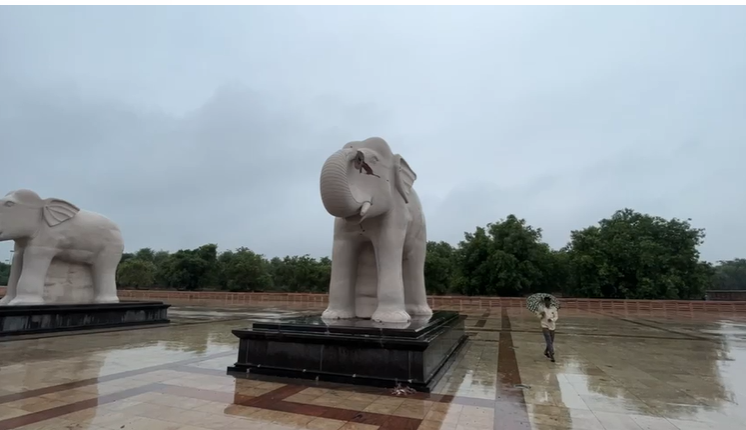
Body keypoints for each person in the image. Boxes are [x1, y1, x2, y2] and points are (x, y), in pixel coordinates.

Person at [537, 296, 558, 362]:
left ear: (550, 302)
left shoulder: (553, 308)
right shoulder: (541, 309)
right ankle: (551, 354)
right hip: (544, 325)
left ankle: (546, 351)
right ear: (544, 302)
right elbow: (538, 317)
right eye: (545, 301)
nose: (547, 303)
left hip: (552, 326)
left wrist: (551, 319)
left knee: (551, 340)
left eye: (548, 301)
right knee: (548, 339)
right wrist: (542, 315)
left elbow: (556, 317)